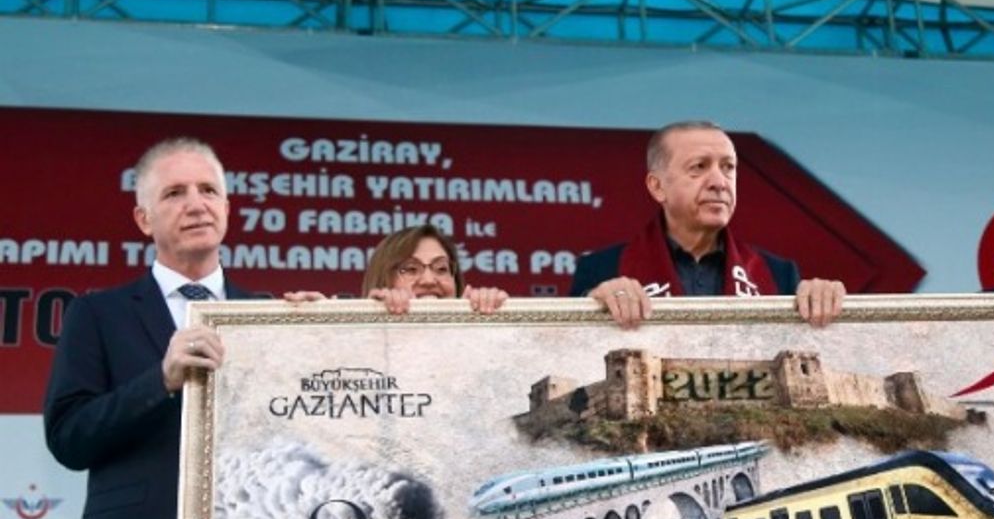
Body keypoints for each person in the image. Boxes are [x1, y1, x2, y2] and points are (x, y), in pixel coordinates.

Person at [43, 138, 250, 519]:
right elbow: (68, 437)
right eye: (175, 193)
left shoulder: (268, 315)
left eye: (209, 190)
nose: (196, 204)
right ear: (143, 219)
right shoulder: (97, 314)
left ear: (228, 208)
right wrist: (159, 380)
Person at [569, 120, 845, 329]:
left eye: (728, 167)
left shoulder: (779, 274)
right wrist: (593, 304)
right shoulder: (601, 270)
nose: (719, 182)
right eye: (699, 167)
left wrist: (823, 304)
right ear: (657, 186)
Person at [284, 224, 508, 314]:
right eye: (410, 269)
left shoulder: (481, 334)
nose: (429, 280)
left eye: (441, 268)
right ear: (383, 281)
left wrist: (495, 322)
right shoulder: (357, 340)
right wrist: (319, 327)